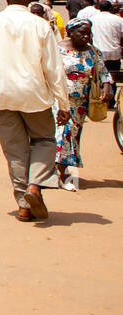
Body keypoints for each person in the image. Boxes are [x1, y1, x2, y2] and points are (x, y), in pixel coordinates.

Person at [0, 0, 72, 222]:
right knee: (45, 140)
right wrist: (63, 103)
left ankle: (23, 206)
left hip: (2, 95)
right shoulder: (40, 24)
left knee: (15, 152)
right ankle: (34, 187)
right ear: (28, 2)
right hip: (35, 96)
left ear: (5, 0)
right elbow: (53, 68)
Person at [55, 16, 107, 192]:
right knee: (63, 133)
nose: (86, 37)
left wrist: (107, 87)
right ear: (71, 33)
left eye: (88, 33)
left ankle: (60, 171)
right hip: (59, 100)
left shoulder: (93, 51)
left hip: (81, 104)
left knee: (73, 136)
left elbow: (103, 72)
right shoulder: (57, 49)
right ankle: (61, 174)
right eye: (82, 33)